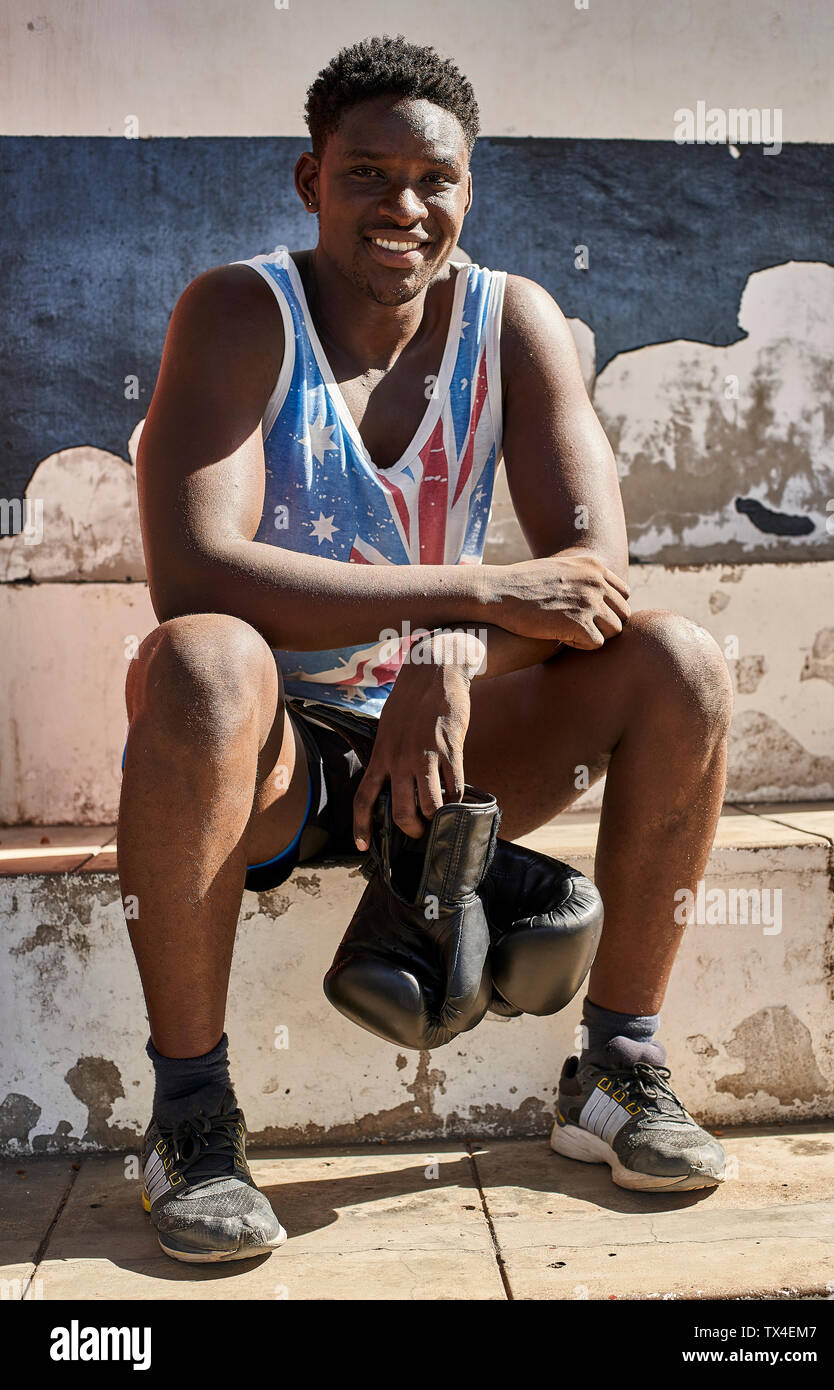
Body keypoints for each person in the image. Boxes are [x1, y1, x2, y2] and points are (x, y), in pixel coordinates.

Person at [118, 34, 733, 1263]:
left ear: (469, 190)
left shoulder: (516, 320)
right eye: (368, 176)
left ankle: (615, 1070)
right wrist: (463, 601)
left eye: (433, 180)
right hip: (274, 756)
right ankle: (189, 1118)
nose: (404, 208)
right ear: (311, 182)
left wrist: (448, 648)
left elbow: (592, 583)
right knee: (198, 660)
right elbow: (198, 571)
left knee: (681, 663)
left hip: (451, 743)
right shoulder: (243, 312)